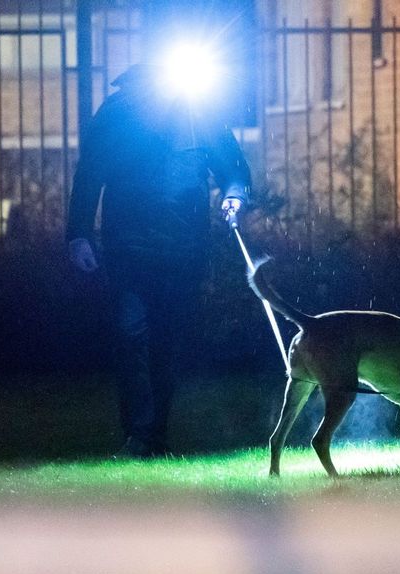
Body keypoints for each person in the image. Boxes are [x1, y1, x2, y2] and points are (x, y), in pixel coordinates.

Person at [66, 63, 251, 458]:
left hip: (184, 250)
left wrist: (235, 196)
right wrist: (78, 233)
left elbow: (234, 170)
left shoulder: (199, 112)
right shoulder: (117, 115)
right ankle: (141, 434)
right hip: (127, 249)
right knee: (131, 336)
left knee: (167, 342)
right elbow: (90, 175)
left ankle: (152, 434)